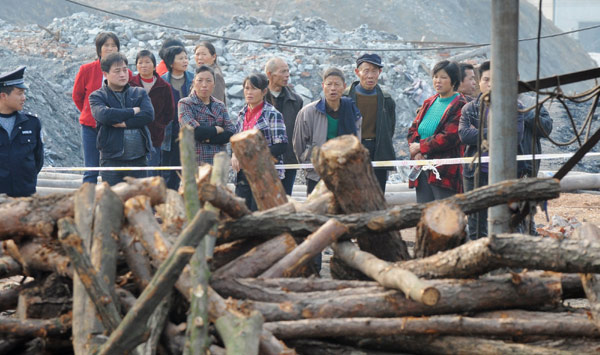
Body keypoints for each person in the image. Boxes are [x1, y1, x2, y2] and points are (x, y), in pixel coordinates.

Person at [459, 61, 524, 239]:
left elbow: (515, 136)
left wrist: (479, 133)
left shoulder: (515, 107)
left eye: (494, 79)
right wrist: (499, 130)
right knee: (476, 223)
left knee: (509, 221)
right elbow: (464, 135)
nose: (490, 84)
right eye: (486, 79)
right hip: (475, 174)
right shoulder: (470, 109)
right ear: (479, 82)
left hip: (506, 173)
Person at [72, 32, 131, 184]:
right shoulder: (87, 70)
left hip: (115, 128)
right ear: (99, 49)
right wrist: (92, 112)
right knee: (91, 169)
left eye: (113, 45)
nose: (110, 48)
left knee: (114, 170)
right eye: (106, 45)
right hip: (91, 127)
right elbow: (77, 96)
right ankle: (88, 205)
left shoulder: (126, 72)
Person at [294, 67, 362, 195]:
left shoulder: (353, 112)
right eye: (329, 84)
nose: (333, 88)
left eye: (337, 84)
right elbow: (298, 145)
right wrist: (310, 165)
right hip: (318, 172)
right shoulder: (308, 112)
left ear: (344, 86)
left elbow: (357, 142)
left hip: (345, 172)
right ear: (323, 86)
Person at [89, 53, 155, 186]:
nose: (123, 74)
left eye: (125, 70)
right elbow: (105, 116)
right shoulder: (97, 96)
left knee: (139, 201)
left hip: (139, 158)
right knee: (113, 200)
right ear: (105, 74)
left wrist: (124, 123)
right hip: (111, 159)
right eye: (117, 71)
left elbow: (148, 115)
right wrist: (133, 111)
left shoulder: (139, 93)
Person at [407, 60, 467, 204]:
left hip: (444, 172)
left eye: (443, 77)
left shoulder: (460, 105)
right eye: (435, 76)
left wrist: (421, 146)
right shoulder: (429, 102)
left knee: (444, 216)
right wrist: (417, 151)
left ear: (454, 81)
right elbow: (413, 130)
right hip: (421, 166)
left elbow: (449, 136)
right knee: (424, 214)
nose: (438, 81)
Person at [232, 73, 287, 211]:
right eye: (246, 88)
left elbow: (281, 145)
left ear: (264, 91)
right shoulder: (241, 114)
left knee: (260, 214)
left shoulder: (272, 114)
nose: (249, 92)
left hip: (264, 174)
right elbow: (235, 140)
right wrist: (234, 155)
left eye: (254, 89)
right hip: (243, 174)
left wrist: (253, 156)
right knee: (241, 214)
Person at [345, 53, 396, 193]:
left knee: (377, 193)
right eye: (366, 71)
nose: (370, 76)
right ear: (357, 72)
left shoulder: (386, 100)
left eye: (374, 71)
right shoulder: (345, 99)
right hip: (352, 149)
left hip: (378, 149)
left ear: (379, 73)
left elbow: (390, 129)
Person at [129, 50, 175, 176]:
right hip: (133, 136)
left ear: (154, 66)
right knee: (134, 174)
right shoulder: (130, 85)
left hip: (155, 136)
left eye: (147, 62)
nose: (143, 65)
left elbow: (169, 112)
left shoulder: (163, 86)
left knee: (151, 172)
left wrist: (159, 125)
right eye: (140, 62)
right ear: (136, 66)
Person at [0, 67, 44, 197]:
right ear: (3, 96)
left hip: (25, 197)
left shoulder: (32, 123)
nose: (24, 98)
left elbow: (38, 160)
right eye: (19, 93)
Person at [179, 65, 235, 165]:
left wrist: (207, 139)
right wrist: (217, 129)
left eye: (208, 81)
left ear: (214, 84)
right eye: (200, 80)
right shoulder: (186, 103)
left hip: (219, 163)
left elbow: (230, 131)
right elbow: (194, 132)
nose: (204, 85)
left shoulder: (220, 105)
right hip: (196, 162)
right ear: (194, 83)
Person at [265, 57, 303, 196]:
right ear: (270, 74)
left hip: (288, 160)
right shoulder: (259, 99)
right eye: (283, 71)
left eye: (288, 71)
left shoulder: (296, 101)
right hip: (265, 160)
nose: (287, 75)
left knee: (286, 199)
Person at [161, 46, 194, 190]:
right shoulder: (162, 82)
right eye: (180, 58)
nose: (185, 61)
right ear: (171, 62)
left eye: (186, 57)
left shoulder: (193, 79)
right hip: (170, 133)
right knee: (170, 172)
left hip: (191, 132)